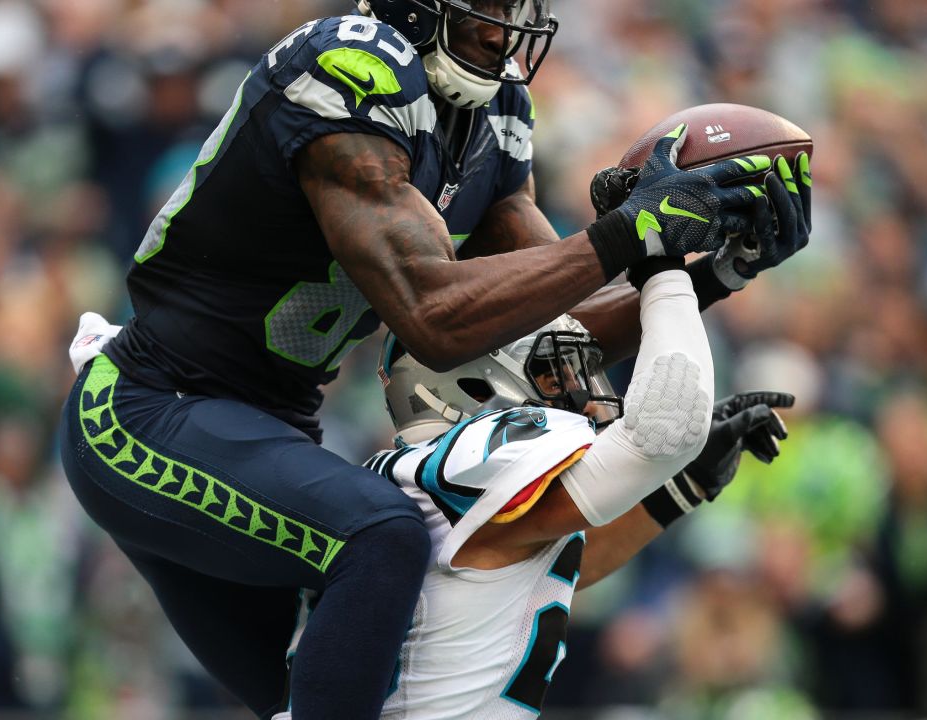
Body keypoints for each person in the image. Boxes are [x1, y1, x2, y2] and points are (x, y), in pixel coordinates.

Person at [57, 1, 812, 717]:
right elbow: (435, 317)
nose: (510, 26)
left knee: (328, 675)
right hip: (151, 409)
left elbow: (552, 328)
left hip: (264, 435)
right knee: (379, 537)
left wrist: (712, 271)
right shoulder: (355, 64)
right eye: (490, 1)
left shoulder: (496, 108)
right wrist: (635, 240)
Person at [274, 258, 792, 718]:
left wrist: (683, 487)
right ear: (473, 387)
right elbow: (668, 429)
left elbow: (554, 567)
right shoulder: (469, 461)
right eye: (548, 376)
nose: (580, 392)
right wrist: (665, 270)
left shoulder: (428, 482)